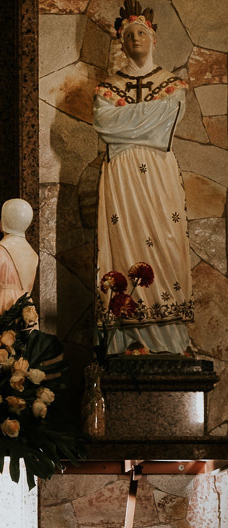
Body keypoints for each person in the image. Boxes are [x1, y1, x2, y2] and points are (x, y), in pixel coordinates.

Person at [93, 1, 193, 354]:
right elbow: (104, 124)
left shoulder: (173, 84)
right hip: (121, 177)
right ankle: (124, 338)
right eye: (128, 34)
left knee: (165, 240)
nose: (135, 39)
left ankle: (171, 340)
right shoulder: (108, 88)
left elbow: (168, 121)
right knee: (124, 241)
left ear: (153, 38)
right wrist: (147, 117)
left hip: (158, 175)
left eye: (141, 33)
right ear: (121, 42)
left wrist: (126, 124)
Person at [0, 198, 39, 316]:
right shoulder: (32, 254)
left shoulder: (0, 250)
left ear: (4, 221)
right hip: (25, 308)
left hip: (4, 304)